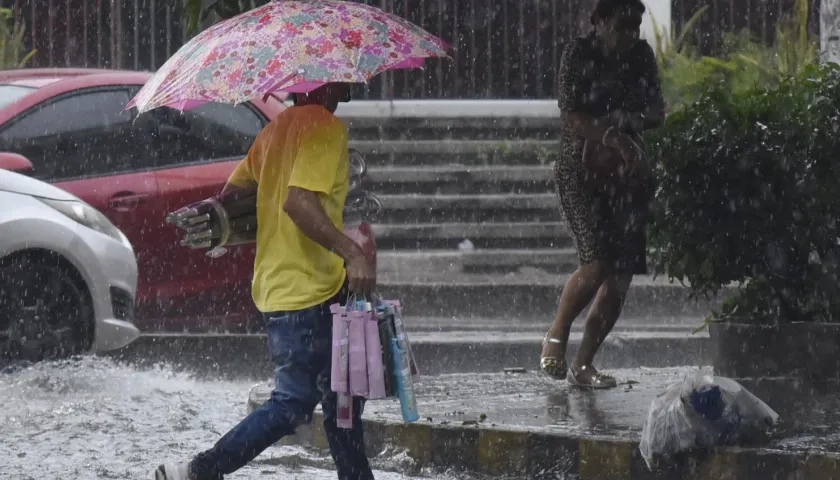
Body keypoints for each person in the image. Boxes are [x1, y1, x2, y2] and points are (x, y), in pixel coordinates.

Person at [154, 83, 377, 480]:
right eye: (346, 76)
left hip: (282, 284)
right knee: (293, 403)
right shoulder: (324, 127)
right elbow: (298, 202)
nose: (356, 82)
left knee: (343, 398)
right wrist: (351, 251)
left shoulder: (276, 129)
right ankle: (199, 471)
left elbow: (235, 194)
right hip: (308, 291)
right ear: (326, 81)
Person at [539, 0, 666, 389]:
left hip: (627, 175)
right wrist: (610, 135)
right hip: (581, 168)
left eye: (636, 26)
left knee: (621, 275)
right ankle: (555, 338)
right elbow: (572, 116)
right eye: (623, 25)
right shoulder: (578, 54)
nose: (631, 34)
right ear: (600, 21)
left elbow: (657, 111)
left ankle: (583, 364)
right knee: (595, 265)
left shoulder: (641, 56)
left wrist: (626, 124)